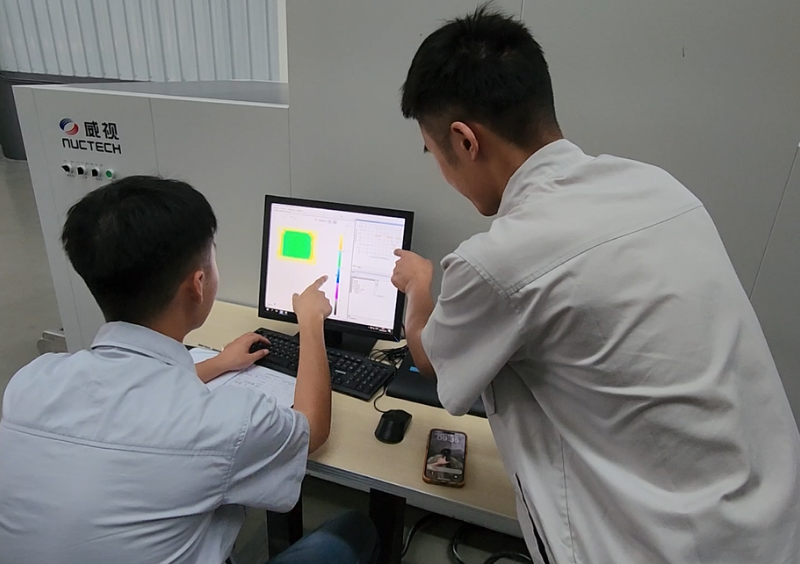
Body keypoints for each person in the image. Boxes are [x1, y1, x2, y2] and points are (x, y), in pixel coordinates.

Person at [391, 6, 800, 564]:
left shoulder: (498, 263)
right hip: (772, 528)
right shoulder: (660, 189)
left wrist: (419, 288)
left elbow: (432, 360)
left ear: (465, 141)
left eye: (433, 152)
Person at [0, 176, 378, 564]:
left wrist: (219, 363)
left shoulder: (30, 383)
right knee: (354, 530)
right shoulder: (227, 423)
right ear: (198, 284)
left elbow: (130, 400)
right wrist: (311, 322)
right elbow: (311, 427)